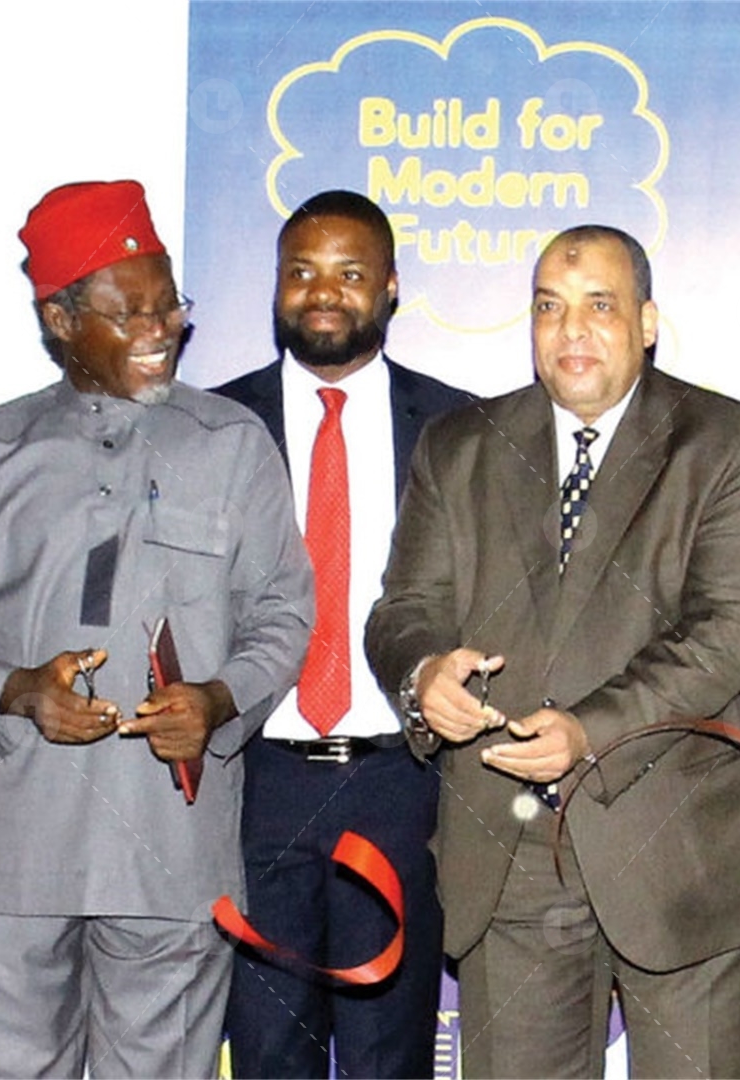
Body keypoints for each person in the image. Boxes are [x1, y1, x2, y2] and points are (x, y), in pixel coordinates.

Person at [365, 224, 740, 1078]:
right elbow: (404, 609)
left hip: (682, 854)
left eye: (600, 306)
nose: (572, 330)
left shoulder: (732, 445)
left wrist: (587, 730)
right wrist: (424, 673)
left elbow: (726, 632)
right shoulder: (459, 447)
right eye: (549, 307)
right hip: (511, 850)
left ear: (647, 322)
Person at [0, 179, 313, 1077]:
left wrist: (218, 700)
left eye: (169, 307)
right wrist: (16, 691)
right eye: (129, 314)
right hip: (15, 853)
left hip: (170, 850)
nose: (160, 330)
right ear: (59, 320)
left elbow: (283, 611)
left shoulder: (232, 442)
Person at [215, 190, 477, 1078]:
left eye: (350, 272)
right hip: (255, 786)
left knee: (389, 1059)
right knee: (266, 1054)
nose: (323, 292)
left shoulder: (461, 429)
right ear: (275, 285)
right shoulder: (213, 426)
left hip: (400, 785)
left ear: (391, 286)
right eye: (301, 272)